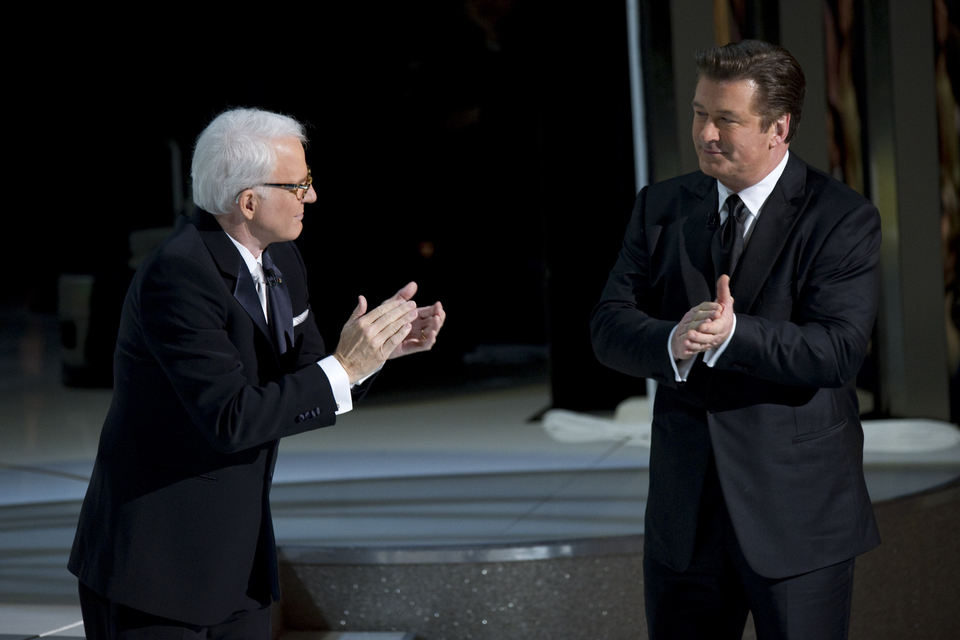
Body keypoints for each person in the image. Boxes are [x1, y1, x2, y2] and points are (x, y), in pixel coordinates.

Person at [68, 107, 446, 638]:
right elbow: (231, 417)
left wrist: (375, 355)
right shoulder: (178, 276)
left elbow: (305, 382)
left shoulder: (282, 260)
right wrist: (345, 366)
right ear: (248, 201)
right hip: (156, 568)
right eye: (300, 185)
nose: (311, 197)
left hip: (236, 563)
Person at [591, 40, 880, 639]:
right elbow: (609, 326)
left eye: (727, 119)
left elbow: (837, 350)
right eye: (700, 113)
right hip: (684, 520)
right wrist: (673, 338)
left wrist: (733, 336)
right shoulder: (660, 207)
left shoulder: (841, 218)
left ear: (779, 127)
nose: (706, 134)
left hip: (796, 520)